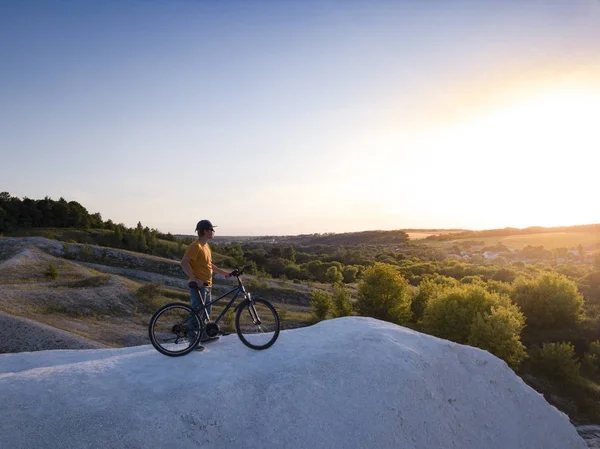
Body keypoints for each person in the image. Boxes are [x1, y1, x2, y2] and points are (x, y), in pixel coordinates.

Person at [180, 219, 231, 350]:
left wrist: (224, 273)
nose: (214, 232)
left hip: (207, 285)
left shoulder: (206, 246)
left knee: (206, 312)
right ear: (205, 231)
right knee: (197, 313)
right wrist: (193, 279)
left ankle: (202, 336)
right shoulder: (195, 246)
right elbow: (184, 262)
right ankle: (193, 341)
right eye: (212, 229)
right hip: (198, 285)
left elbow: (209, 266)